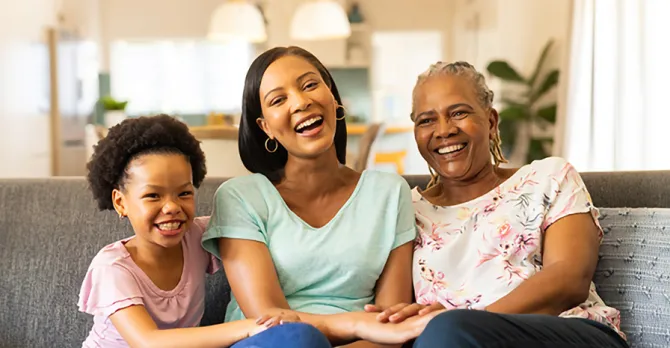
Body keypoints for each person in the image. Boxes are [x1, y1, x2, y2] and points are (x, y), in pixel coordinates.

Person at [364, 61, 629, 348]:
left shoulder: (549, 177)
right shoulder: (406, 209)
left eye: (458, 113)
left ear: (491, 122)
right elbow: (396, 320)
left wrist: (466, 323)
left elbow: (570, 279)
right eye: (426, 120)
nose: (444, 130)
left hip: (569, 334)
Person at [201, 46, 420, 347]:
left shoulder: (390, 193)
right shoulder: (241, 198)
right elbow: (271, 319)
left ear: (332, 96)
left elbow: (390, 325)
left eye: (309, 85)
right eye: (279, 100)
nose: (301, 102)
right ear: (266, 128)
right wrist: (358, 323)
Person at [79, 114, 330, 348]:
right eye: (153, 195)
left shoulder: (197, 236)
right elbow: (149, 342)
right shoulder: (112, 268)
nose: (172, 207)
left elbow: (257, 224)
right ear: (121, 202)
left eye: (184, 193)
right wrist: (250, 327)